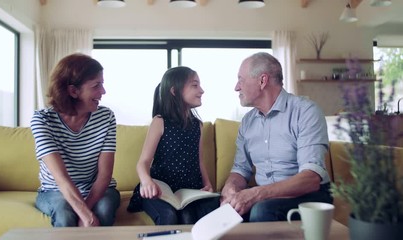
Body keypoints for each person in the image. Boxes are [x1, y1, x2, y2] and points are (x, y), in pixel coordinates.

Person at [220, 52, 333, 222]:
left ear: (262, 81)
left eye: (241, 80)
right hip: (266, 198)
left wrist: (257, 194)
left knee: (262, 210)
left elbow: (311, 178)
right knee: (211, 207)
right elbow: (240, 170)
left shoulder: (306, 111)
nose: (237, 87)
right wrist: (231, 188)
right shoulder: (248, 122)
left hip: (310, 196)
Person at [30, 53, 120, 227]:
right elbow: (61, 177)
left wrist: (85, 212)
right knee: (64, 215)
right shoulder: (42, 120)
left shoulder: (106, 117)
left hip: (98, 189)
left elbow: (104, 175)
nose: (103, 91)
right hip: (55, 190)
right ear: (73, 91)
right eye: (97, 85)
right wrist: (86, 215)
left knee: (103, 211)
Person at [127, 66, 219, 225]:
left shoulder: (198, 125)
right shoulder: (160, 121)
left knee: (189, 217)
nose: (202, 90)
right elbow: (143, 162)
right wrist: (147, 181)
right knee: (168, 216)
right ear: (174, 91)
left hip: (188, 190)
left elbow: (199, 161)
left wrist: (207, 183)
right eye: (195, 85)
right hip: (160, 190)